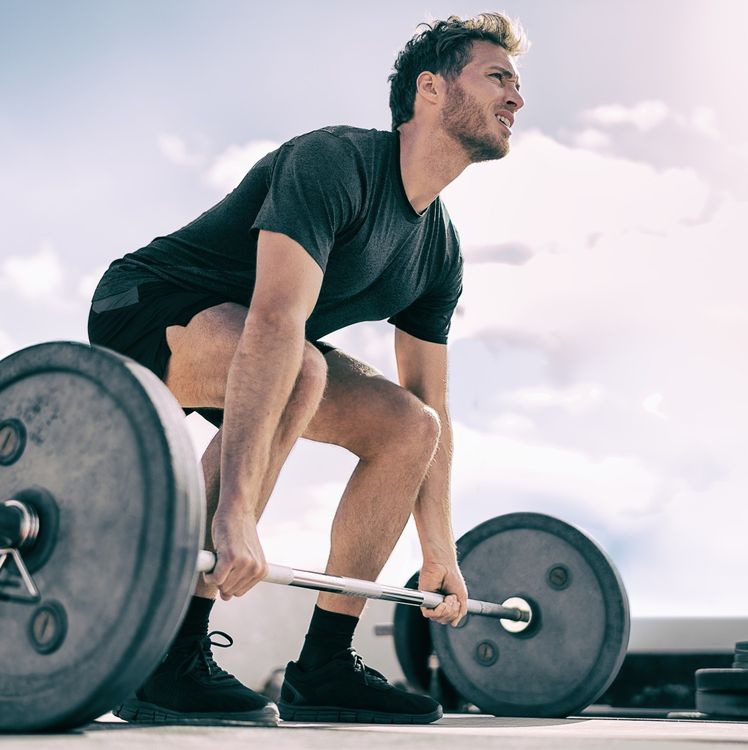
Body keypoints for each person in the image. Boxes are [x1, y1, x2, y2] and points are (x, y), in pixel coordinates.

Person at [88, 12, 526, 726]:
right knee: (301, 370)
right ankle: (168, 657)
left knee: (408, 427)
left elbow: (431, 402)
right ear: (431, 90)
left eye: (516, 84)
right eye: (497, 78)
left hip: (265, 345)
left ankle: (323, 665)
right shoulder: (335, 161)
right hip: (144, 307)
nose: (516, 99)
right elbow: (274, 322)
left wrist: (437, 550)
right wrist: (234, 512)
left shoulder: (438, 251)